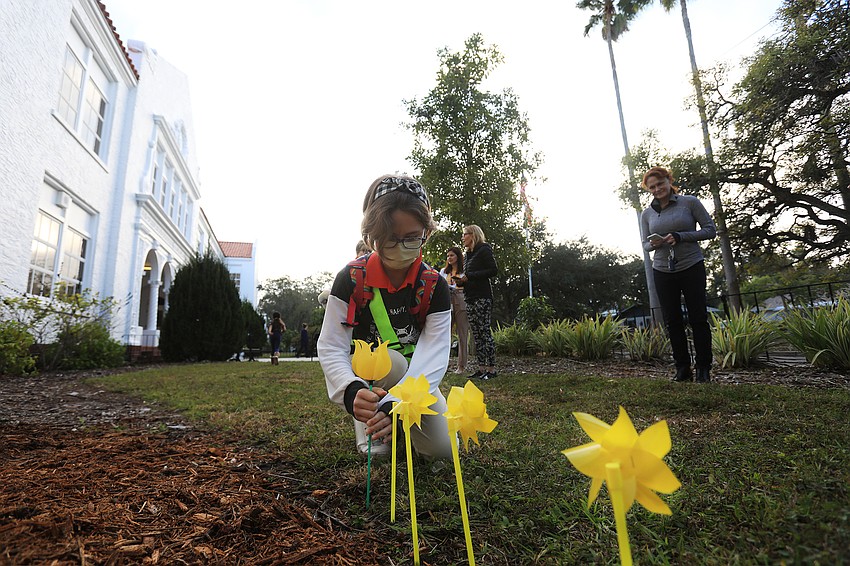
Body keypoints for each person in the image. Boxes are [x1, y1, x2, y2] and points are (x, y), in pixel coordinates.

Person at [318, 174, 452, 459]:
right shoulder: (351, 278)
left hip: (417, 379)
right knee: (389, 361)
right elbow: (331, 345)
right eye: (389, 239)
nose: (400, 248)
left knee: (441, 451)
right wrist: (351, 391)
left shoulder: (433, 286)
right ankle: (371, 417)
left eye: (412, 238)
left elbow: (434, 355)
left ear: (426, 233)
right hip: (372, 375)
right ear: (371, 236)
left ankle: (394, 421)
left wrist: (396, 405)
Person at [640, 166, 717, 383]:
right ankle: (682, 368)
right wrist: (654, 244)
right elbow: (645, 245)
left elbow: (710, 230)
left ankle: (703, 368)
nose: (657, 189)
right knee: (672, 321)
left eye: (660, 184)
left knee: (698, 318)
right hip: (662, 270)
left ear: (668, 180)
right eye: (652, 187)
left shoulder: (689, 202)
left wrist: (681, 236)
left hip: (691, 265)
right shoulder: (647, 214)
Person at [456, 225, 498, 380]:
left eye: (464, 234)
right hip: (470, 297)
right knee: (476, 334)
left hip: (482, 297)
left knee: (484, 331)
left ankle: (491, 369)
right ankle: (481, 369)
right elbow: (469, 275)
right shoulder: (467, 254)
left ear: (473, 234)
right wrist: (461, 281)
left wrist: (471, 276)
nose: (462, 238)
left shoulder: (484, 249)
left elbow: (493, 270)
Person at [440, 246, 470, 373]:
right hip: (447, 300)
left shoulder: (465, 271)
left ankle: (461, 366)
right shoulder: (443, 272)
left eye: (452, 255)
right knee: (445, 334)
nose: (449, 258)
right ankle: (442, 365)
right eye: (448, 256)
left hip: (461, 299)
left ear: (458, 257)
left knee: (462, 333)